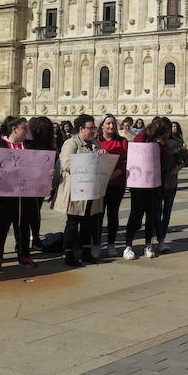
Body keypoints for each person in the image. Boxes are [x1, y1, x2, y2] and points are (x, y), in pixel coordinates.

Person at [0, 116, 44, 271]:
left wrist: (46, 172)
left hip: (26, 194)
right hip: (5, 194)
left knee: (24, 225)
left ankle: (24, 256)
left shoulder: (30, 146)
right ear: (14, 129)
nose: (27, 131)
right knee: (3, 226)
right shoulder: (0, 146)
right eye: (24, 128)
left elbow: (39, 167)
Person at [56, 114, 105, 267]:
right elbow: (66, 164)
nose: (93, 131)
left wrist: (103, 156)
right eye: (90, 128)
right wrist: (90, 161)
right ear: (81, 129)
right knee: (73, 222)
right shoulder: (71, 143)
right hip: (75, 189)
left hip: (91, 188)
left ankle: (86, 251)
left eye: (94, 128)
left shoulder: (96, 143)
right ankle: (69, 254)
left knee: (88, 222)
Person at [122, 120, 164, 260]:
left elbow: (163, 157)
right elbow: (135, 153)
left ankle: (148, 244)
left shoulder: (160, 141)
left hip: (152, 182)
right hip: (139, 183)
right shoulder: (141, 137)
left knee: (151, 214)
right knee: (136, 213)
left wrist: (162, 146)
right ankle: (128, 245)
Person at [156, 117, 188, 253]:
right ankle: (155, 238)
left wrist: (179, 166)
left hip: (170, 183)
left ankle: (161, 239)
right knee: (155, 212)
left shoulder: (174, 144)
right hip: (154, 183)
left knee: (166, 213)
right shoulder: (152, 143)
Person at [97, 114, 128, 257]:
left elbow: (128, 160)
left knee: (113, 214)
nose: (111, 126)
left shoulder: (122, 141)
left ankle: (111, 244)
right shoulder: (95, 141)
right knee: (98, 214)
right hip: (99, 183)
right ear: (102, 125)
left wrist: (119, 171)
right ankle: (96, 244)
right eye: (108, 123)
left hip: (117, 182)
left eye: (113, 124)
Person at [26, 116, 57, 251]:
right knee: (34, 213)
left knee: (33, 213)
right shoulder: (32, 144)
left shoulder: (30, 143)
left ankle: (32, 239)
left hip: (38, 183)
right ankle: (34, 239)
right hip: (32, 183)